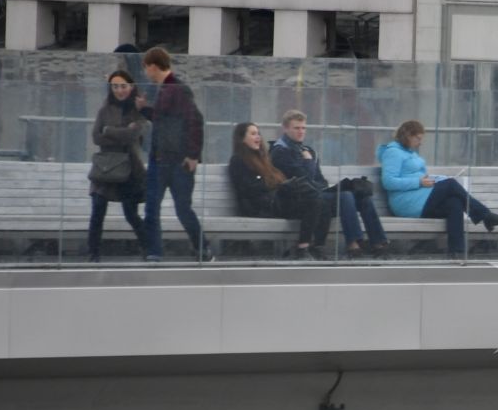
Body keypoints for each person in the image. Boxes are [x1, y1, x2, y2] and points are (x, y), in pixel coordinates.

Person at [378, 120, 498, 259]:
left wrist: (435, 179)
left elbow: (420, 177)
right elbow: (388, 182)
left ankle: (457, 251)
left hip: (419, 198)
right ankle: (486, 216)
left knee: (454, 203)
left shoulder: (410, 152)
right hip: (405, 202)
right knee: (451, 184)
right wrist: (418, 182)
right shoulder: (393, 153)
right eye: (418, 138)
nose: (420, 142)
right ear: (408, 135)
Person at [270, 111, 390, 259]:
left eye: (303, 128)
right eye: (296, 128)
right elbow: (301, 178)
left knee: (361, 195)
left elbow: (319, 179)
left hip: (317, 193)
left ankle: (378, 244)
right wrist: (308, 162)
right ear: (285, 128)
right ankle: (353, 245)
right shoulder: (280, 151)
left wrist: (326, 187)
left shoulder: (307, 150)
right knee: (345, 197)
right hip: (300, 199)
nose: (301, 132)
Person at [141, 46, 211, 263]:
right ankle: (155, 251)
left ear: (153, 67)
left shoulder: (178, 89)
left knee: (181, 208)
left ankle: (202, 246)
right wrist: (145, 109)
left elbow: (195, 121)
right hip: (160, 158)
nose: (145, 73)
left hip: (177, 161)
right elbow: (165, 121)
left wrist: (192, 155)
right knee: (153, 206)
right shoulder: (165, 90)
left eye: (145, 68)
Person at [228, 122, 331, 259]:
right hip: (261, 207)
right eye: (253, 134)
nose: (258, 137)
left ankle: (315, 246)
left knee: (320, 201)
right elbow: (248, 188)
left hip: (276, 202)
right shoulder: (238, 160)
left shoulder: (263, 158)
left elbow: (277, 179)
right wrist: (274, 183)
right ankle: (302, 248)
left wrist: (280, 184)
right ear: (241, 139)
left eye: (258, 133)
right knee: (313, 198)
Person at [87, 69, 151, 262]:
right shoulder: (104, 110)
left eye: (123, 86)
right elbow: (96, 136)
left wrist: (109, 131)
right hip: (106, 167)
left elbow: (135, 135)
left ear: (131, 87)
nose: (119, 90)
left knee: (131, 214)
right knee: (98, 209)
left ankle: (148, 249)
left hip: (130, 169)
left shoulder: (138, 110)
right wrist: (121, 132)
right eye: (115, 86)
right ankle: (93, 254)